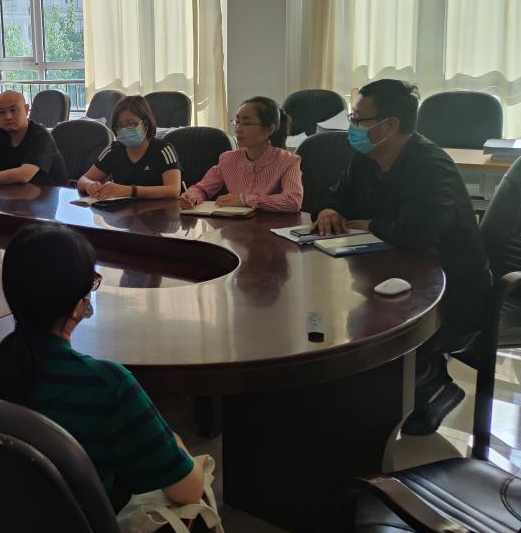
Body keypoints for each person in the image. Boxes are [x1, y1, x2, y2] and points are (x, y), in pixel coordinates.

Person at [0, 223, 204, 504]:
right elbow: (189, 491)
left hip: (16, 521)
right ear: (78, 305)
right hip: (93, 528)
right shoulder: (109, 385)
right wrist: (174, 441)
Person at [314, 79, 492, 435]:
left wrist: (370, 224)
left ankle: (428, 384)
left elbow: (418, 233)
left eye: (358, 119)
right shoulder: (366, 159)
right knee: (346, 329)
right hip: (390, 275)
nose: (351, 127)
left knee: (373, 343)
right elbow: (336, 196)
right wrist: (329, 209)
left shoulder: (430, 166)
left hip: (450, 291)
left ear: (390, 126)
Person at [179, 96, 303, 212]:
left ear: (269, 129)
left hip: (272, 225)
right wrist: (192, 197)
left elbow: (293, 201)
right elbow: (202, 188)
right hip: (236, 225)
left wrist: (244, 200)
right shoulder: (228, 159)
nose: (238, 129)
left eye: (247, 124)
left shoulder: (289, 161)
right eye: (237, 122)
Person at [77, 95, 181, 200]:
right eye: (119, 125)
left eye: (131, 124)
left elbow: (174, 190)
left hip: (158, 209)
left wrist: (130, 191)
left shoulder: (163, 149)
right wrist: (90, 185)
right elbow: (83, 180)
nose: (124, 129)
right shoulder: (113, 150)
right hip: (122, 209)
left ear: (145, 125)